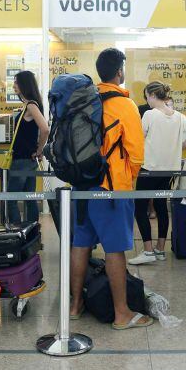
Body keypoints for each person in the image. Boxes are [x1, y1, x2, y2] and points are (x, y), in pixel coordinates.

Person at [69, 48, 153, 330]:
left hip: (81, 185)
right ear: (120, 71)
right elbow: (137, 154)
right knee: (114, 249)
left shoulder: (84, 100)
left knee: (80, 244)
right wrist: (128, 181)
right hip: (111, 188)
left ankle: (75, 306)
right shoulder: (124, 105)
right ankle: (122, 314)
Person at [129, 81, 186, 265]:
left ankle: (147, 251)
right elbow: (185, 142)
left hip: (149, 169)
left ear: (153, 95)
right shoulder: (181, 117)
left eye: (147, 96)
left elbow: (140, 138)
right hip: (170, 169)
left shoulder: (149, 115)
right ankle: (160, 249)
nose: (147, 100)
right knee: (162, 206)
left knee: (140, 207)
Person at [6, 71, 49, 224]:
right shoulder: (29, 105)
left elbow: (45, 129)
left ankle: (17, 233)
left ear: (25, 84)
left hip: (23, 160)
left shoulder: (31, 105)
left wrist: (39, 149)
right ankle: (31, 233)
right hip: (27, 159)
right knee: (29, 198)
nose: (14, 86)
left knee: (11, 200)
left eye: (16, 82)